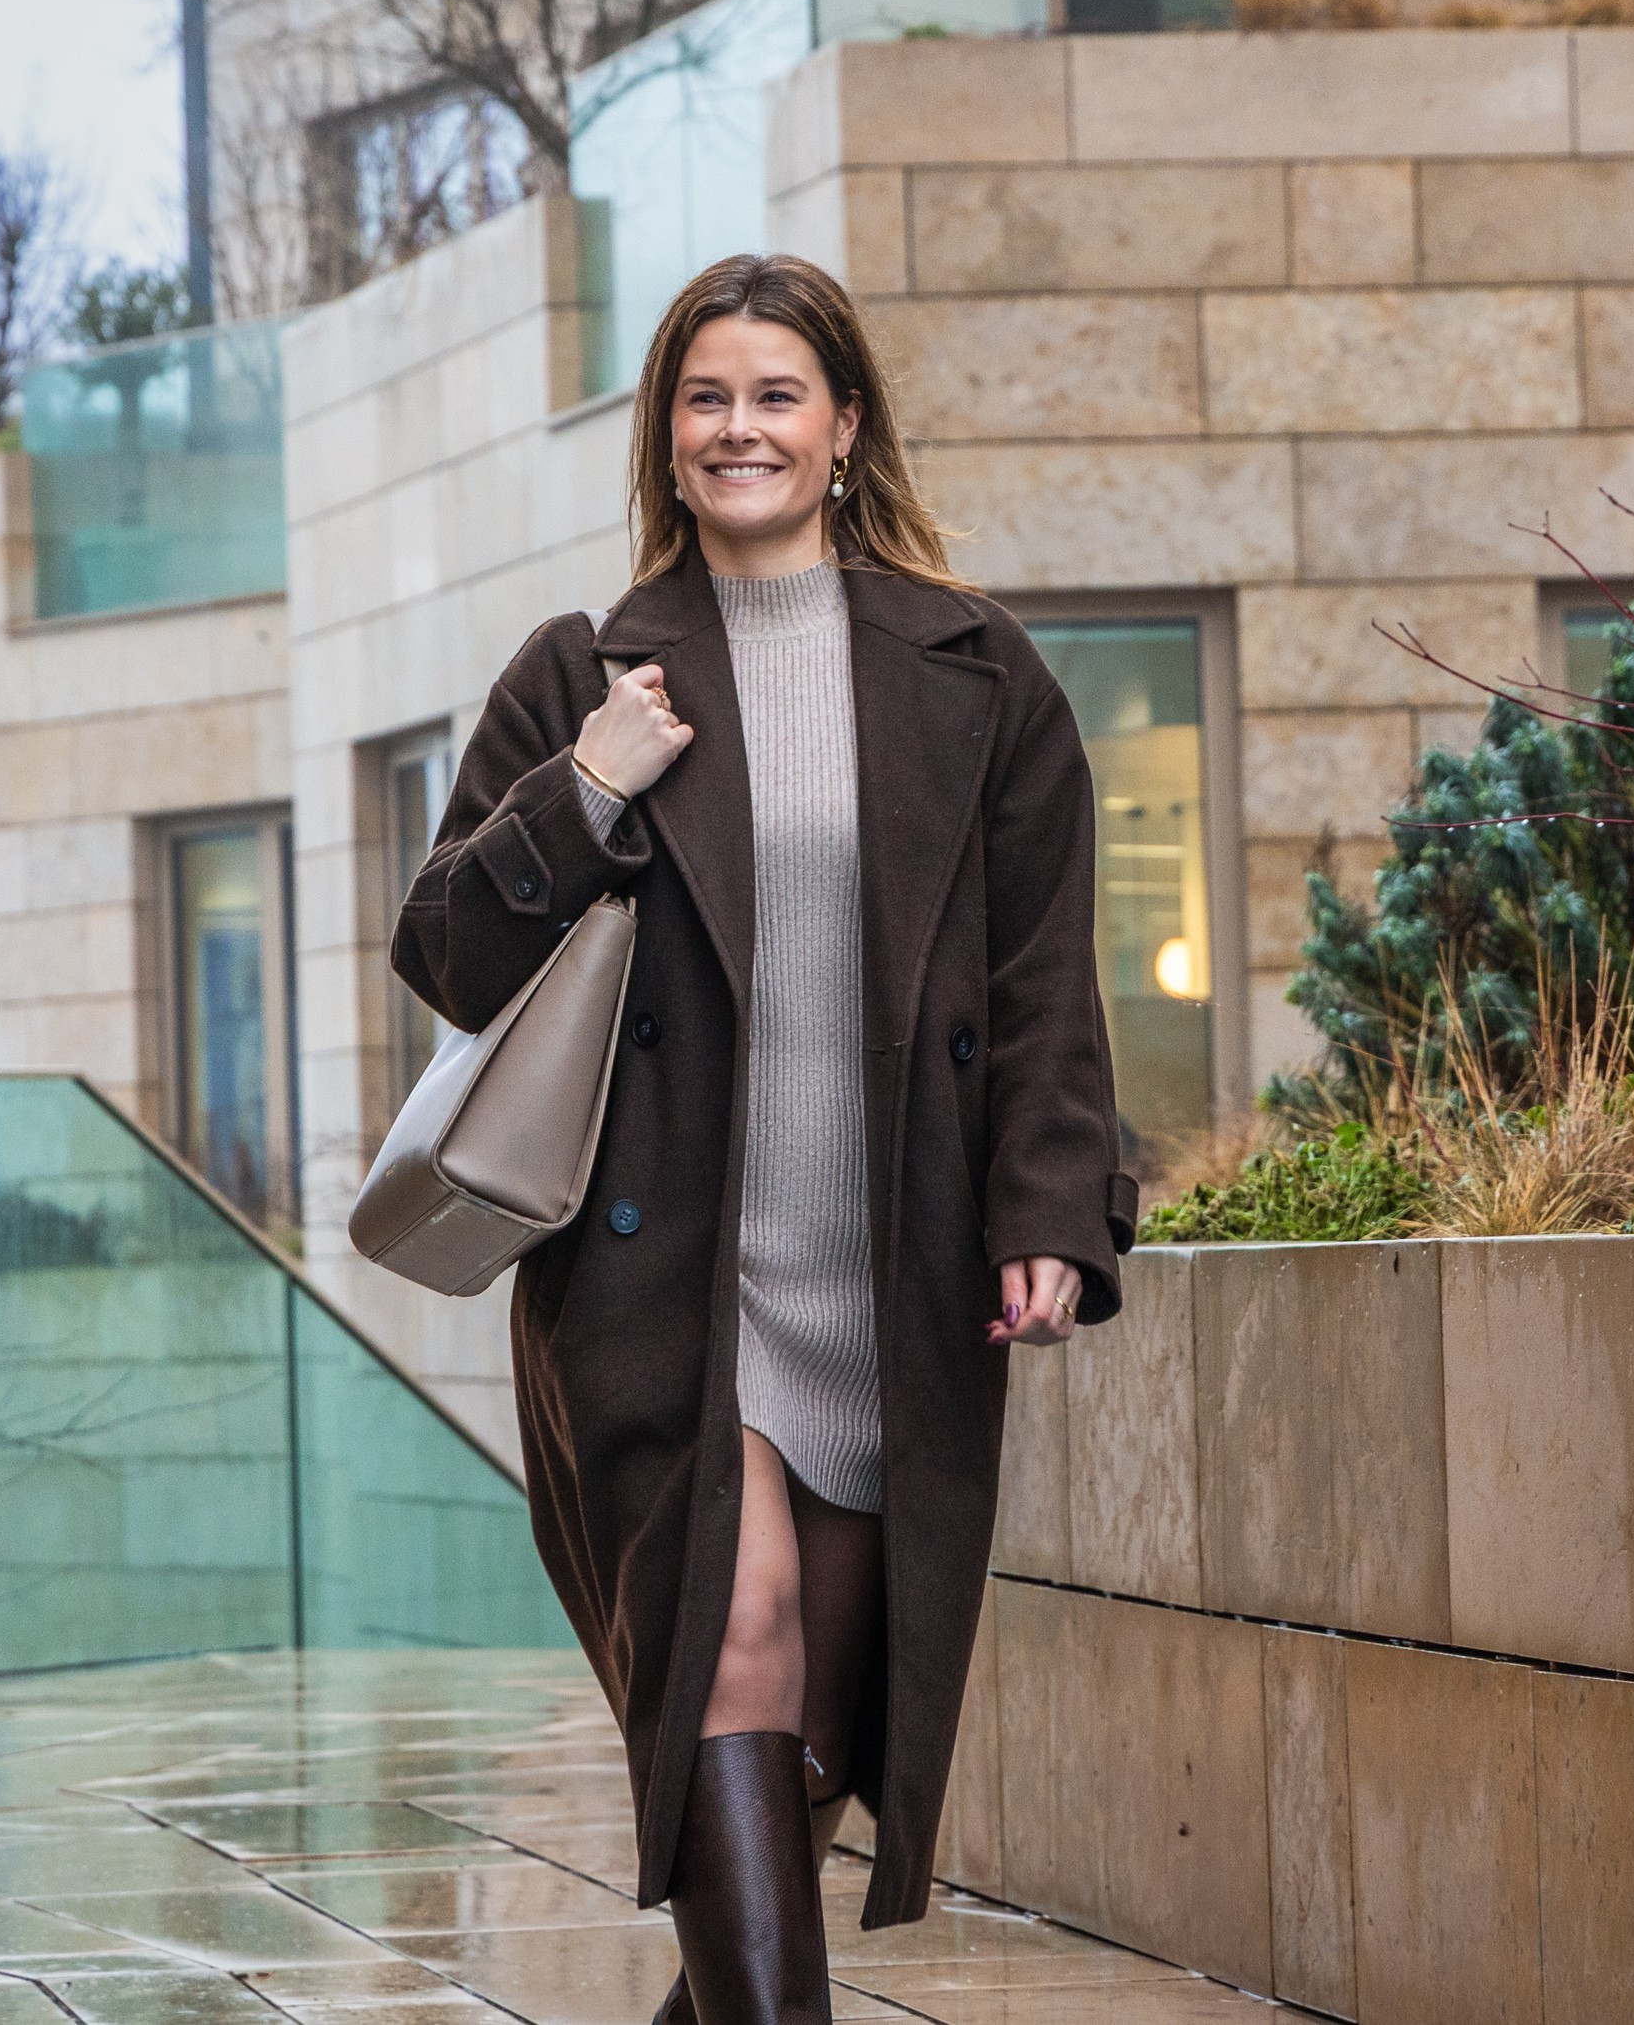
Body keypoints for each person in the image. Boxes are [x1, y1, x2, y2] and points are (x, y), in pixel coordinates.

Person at [391, 253, 1133, 2024]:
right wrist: (586, 787)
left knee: (813, 1745)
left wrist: (1051, 1208)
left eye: (778, 394)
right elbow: (444, 954)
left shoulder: (980, 675)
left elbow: (1044, 980)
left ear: (845, 424)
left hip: (893, 1273)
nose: (741, 428)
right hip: (662, 1289)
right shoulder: (585, 672)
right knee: (729, 1643)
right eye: (706, 396)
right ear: (668, 431)